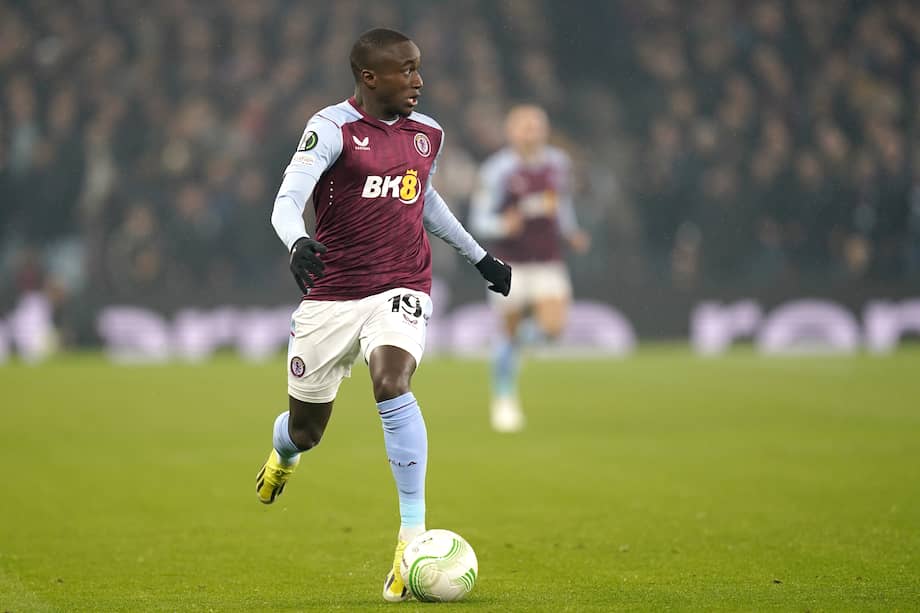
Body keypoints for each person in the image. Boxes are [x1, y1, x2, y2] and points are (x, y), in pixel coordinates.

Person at [256, 28, 511, 603]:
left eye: (419, 68)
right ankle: (283, 453)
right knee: (306, 430)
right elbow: (285, 200)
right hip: (330, 296)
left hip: (401, 285)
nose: (419, 81)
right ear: (370, 78)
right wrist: (296, 243)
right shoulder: (331, 129)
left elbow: (424, 199)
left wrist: (479, 258)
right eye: (406, 70)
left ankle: (410, 534)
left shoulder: (428, 135)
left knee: (391, 381)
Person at [470, 104, 589, 433]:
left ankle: (509, 348)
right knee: (508, 331)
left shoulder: (558, 164)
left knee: (553, 327)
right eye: (524, 126)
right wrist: (501, 226)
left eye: (536, 126)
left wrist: (570, 231)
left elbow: (560, 203)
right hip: (510, 265)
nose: (531, 132)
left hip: (548, 259)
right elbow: (479, 220)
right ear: (511, 132)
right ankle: (504, 398)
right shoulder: (497, 171)